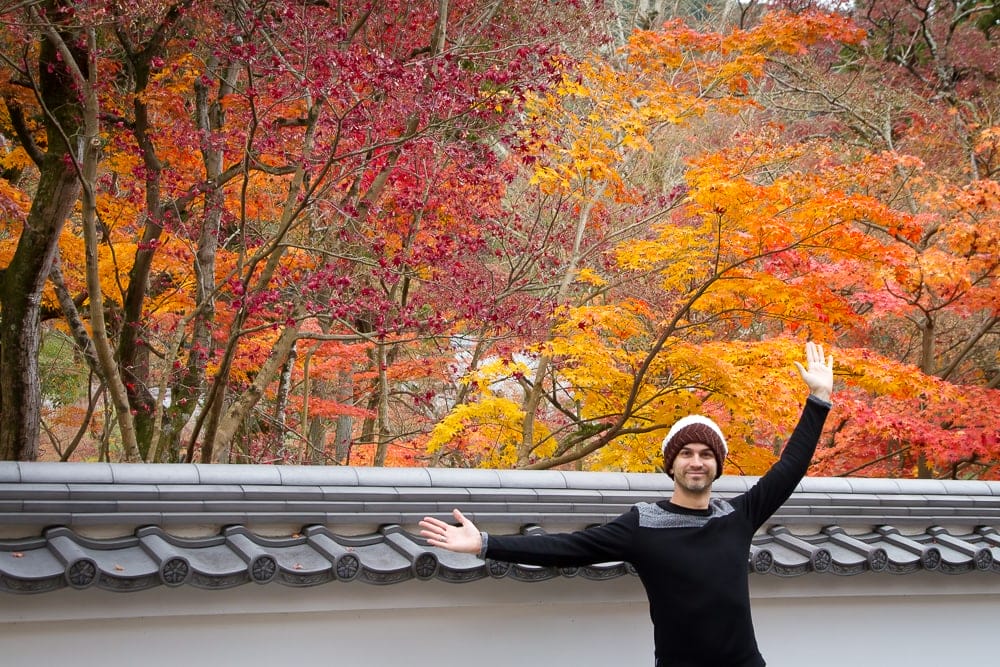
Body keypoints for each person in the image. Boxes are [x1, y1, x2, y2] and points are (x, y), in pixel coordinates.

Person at [419, 342, 834, 667]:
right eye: (685, 453)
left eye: (706, 455)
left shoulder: (737, 517)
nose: (696, 461)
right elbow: (567, 550)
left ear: (717, 466)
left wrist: (817, 400)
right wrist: (486, 543)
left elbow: (790, 467)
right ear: (671, 464)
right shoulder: (643, 524)